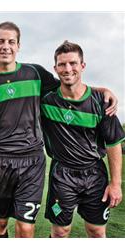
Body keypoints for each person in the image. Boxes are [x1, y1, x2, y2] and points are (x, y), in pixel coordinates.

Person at [0, 21, 118, 238]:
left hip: (52, 166)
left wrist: (102, 90)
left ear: (19, 45)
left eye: (11, 41)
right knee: (6, 225)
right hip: (17, 165)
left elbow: (70, 85)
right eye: (1, 41)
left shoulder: (36, 74)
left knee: (31, 228)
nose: (6, 46)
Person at [41, 40, 124, 238]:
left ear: (82, 66)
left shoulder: (102, 103)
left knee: (96, 231)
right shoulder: (46, 99)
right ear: (55, 68)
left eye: (73, 63)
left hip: (94, 175)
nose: (67, 69)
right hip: (62, 174)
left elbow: (113, 144)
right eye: (62, 64)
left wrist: (115, 184)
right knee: (60, 231)